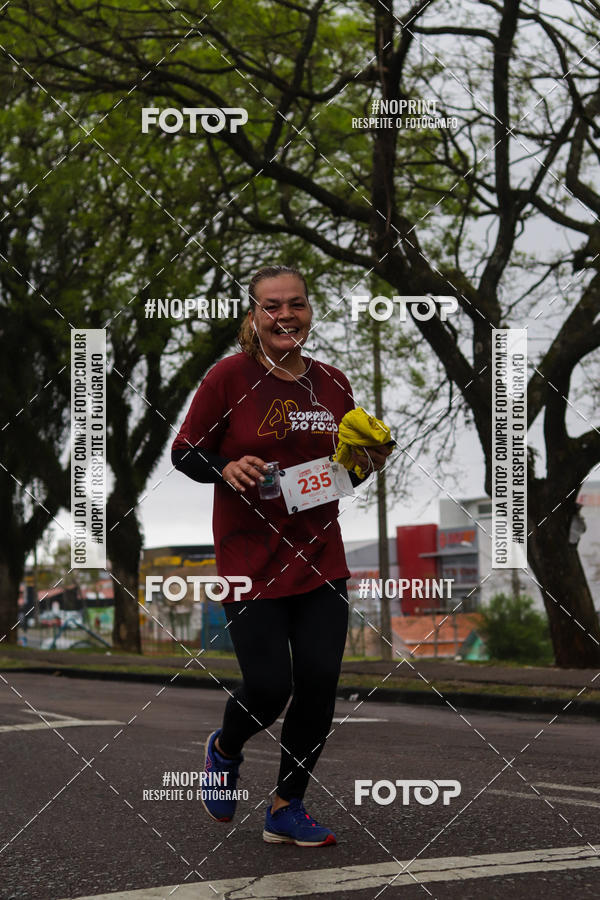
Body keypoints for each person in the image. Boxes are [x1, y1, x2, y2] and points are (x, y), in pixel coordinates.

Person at [172, 264, 391, 847]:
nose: (284, 315)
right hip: (250, 559)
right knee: (269, 686)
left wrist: (367, 461)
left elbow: (343, 472)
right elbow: (185, 451)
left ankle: (286, 807)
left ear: (310, 310)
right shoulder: (229, 377)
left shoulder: (333, 384)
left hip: (321, 554)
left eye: (295, 304)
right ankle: (225, 748)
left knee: (319, 683)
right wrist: (226, 466)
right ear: (254, 315)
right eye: (272, 306)